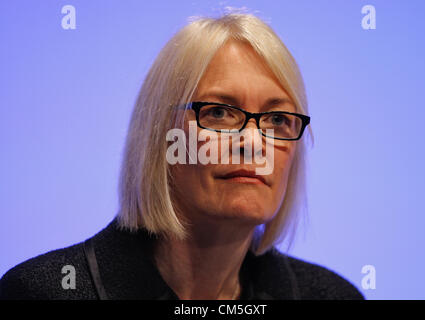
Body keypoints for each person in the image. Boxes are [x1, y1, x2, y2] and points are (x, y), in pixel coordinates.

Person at [0, 13, 363, 300]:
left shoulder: (332, 295)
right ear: (159, 136)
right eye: (219, 112)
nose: (253, 142)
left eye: (278, 119)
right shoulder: (44, 290)